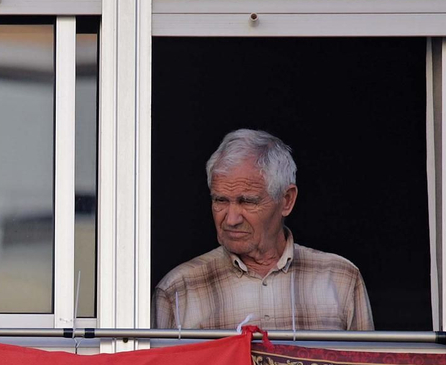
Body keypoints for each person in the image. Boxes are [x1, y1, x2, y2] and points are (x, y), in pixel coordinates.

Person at [153, 129, 372, 331]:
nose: (231, 219)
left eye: (248, 202)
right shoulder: (178, 290)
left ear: (286, 200)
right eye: (220, 200)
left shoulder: (341, 279)